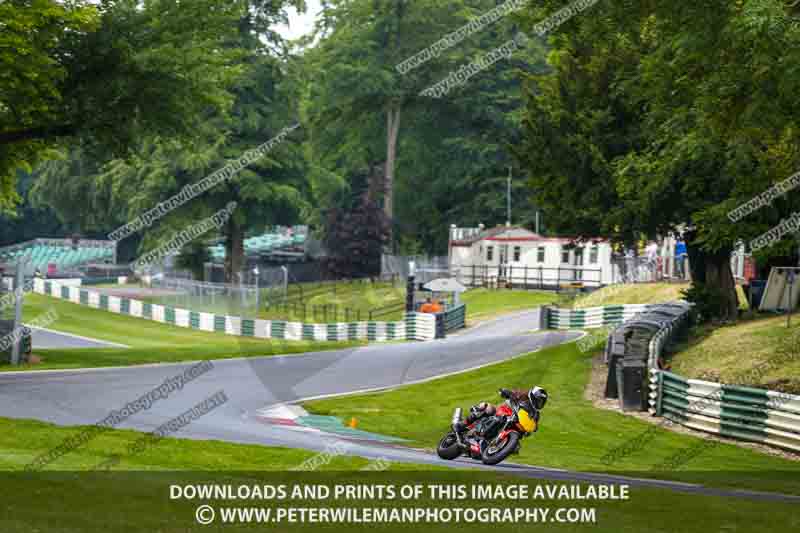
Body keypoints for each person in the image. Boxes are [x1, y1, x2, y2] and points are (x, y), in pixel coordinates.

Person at [456, 387, 548, 433]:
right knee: (487, 408)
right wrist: (506, 392)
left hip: (513, 426)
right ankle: (463, 423)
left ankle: (499, 447)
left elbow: (533, 426)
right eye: (538, 400)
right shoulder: (521, 396)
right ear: (533, 396)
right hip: (502, 412)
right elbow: (507, 392)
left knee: (516, 448)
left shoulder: (536, 414)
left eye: (541, 402)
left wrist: (533, 428)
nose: (539, 403)